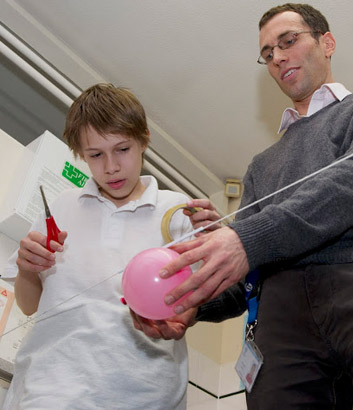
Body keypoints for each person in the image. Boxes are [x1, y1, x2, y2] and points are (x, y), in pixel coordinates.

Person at [132, 4, 353, 409]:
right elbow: (245, 273)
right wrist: (193, 304)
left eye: (288, 41)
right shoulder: (261, 166)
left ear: (327, 42)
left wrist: (247, 237)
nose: (277, 58)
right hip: (279, 322)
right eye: (268, 53)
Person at [1, 83, 205, 409]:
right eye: (95, 155)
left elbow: (197, 303)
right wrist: (27, 268)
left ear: (143, 141)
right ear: (81, 154)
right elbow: (28, 305)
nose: (110, 167)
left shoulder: (177, 211)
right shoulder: (62, 206)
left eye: (122, 149)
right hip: (47, 392)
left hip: (145, 396)